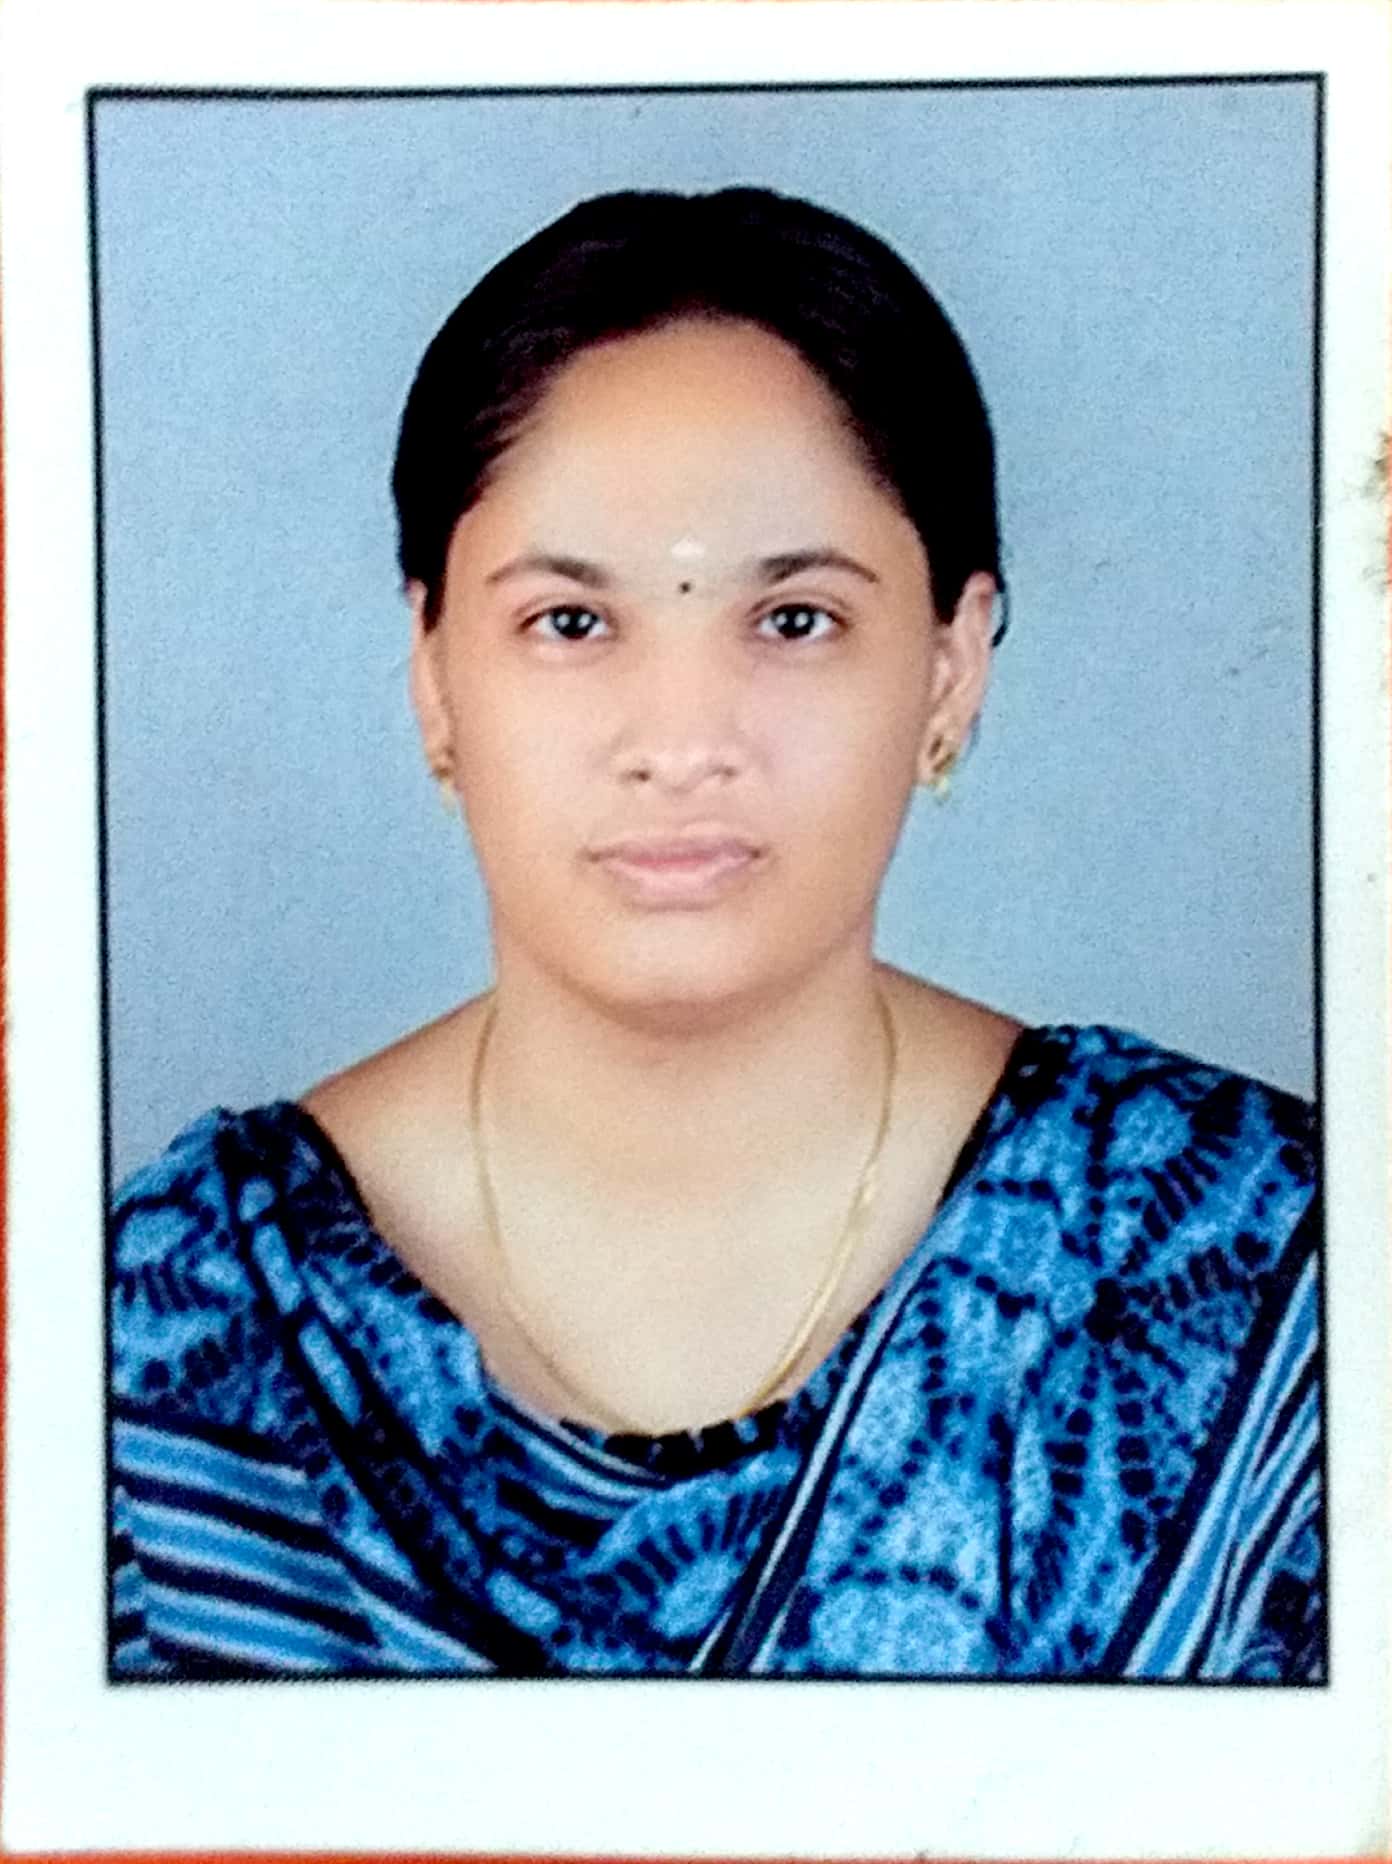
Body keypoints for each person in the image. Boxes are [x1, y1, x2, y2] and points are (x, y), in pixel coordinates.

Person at [108, 187, 1322, 1681]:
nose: (681, 744)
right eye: (570, 623)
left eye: (795, 619)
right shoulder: (169, 1325)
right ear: (433, 675)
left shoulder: (1262, 1271)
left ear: (951, 669)